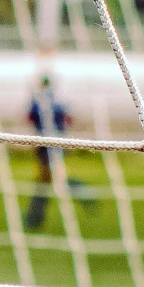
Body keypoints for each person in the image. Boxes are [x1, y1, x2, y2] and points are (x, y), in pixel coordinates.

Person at [23, 72, 94, 230]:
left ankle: (35, 218)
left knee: (49, 180)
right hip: (58, 143)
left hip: (44, 144)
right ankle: (35, 217)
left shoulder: (38, 101)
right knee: (49, 179)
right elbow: (69, 119)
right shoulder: (58, 101)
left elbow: (29, 118)